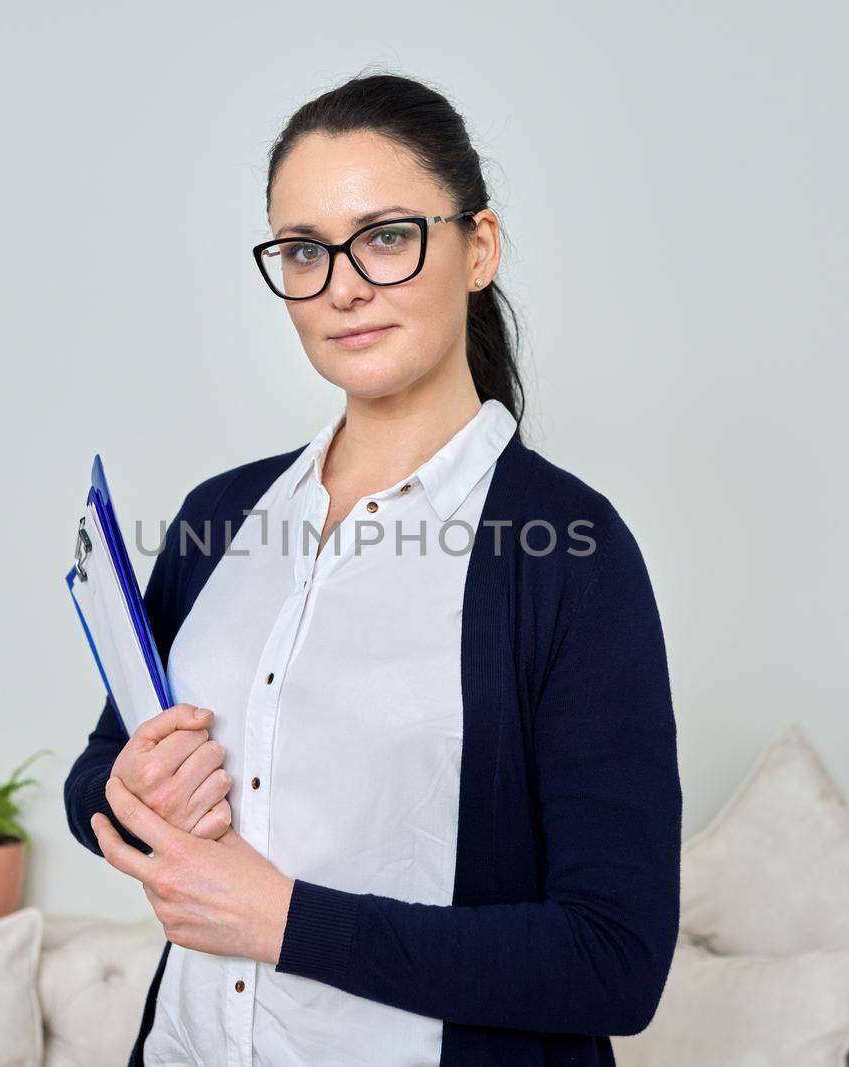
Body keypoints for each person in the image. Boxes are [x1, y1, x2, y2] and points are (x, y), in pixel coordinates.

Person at [64, 70, 682, 1067]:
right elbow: (96, 775)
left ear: (477, 248)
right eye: (305, 250)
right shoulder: (220, 516)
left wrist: (284, 920)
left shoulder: (570, 551)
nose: (342, 284)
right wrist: (129, 791)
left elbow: (612, 958)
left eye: (386, 236)